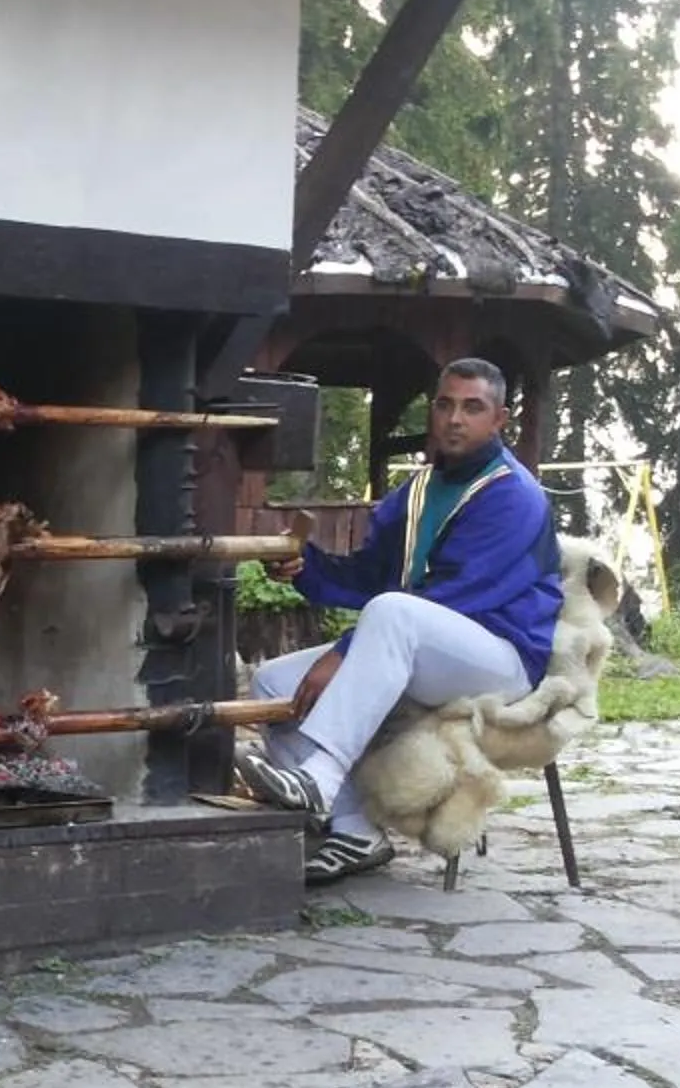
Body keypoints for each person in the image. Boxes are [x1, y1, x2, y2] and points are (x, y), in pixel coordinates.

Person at [234, 357, 562, 882]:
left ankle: (318, 776)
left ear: (499, 419)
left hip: (502, 658)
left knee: (394, 614)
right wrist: (306, 568)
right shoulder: (418, 491)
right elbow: (372, 578)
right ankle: (354, 829)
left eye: (472, 408)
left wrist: (342, 654)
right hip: (425, 645)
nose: (455, 419)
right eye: (445, 404)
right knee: (274, 682)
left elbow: (451, 599)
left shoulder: (512, 495)